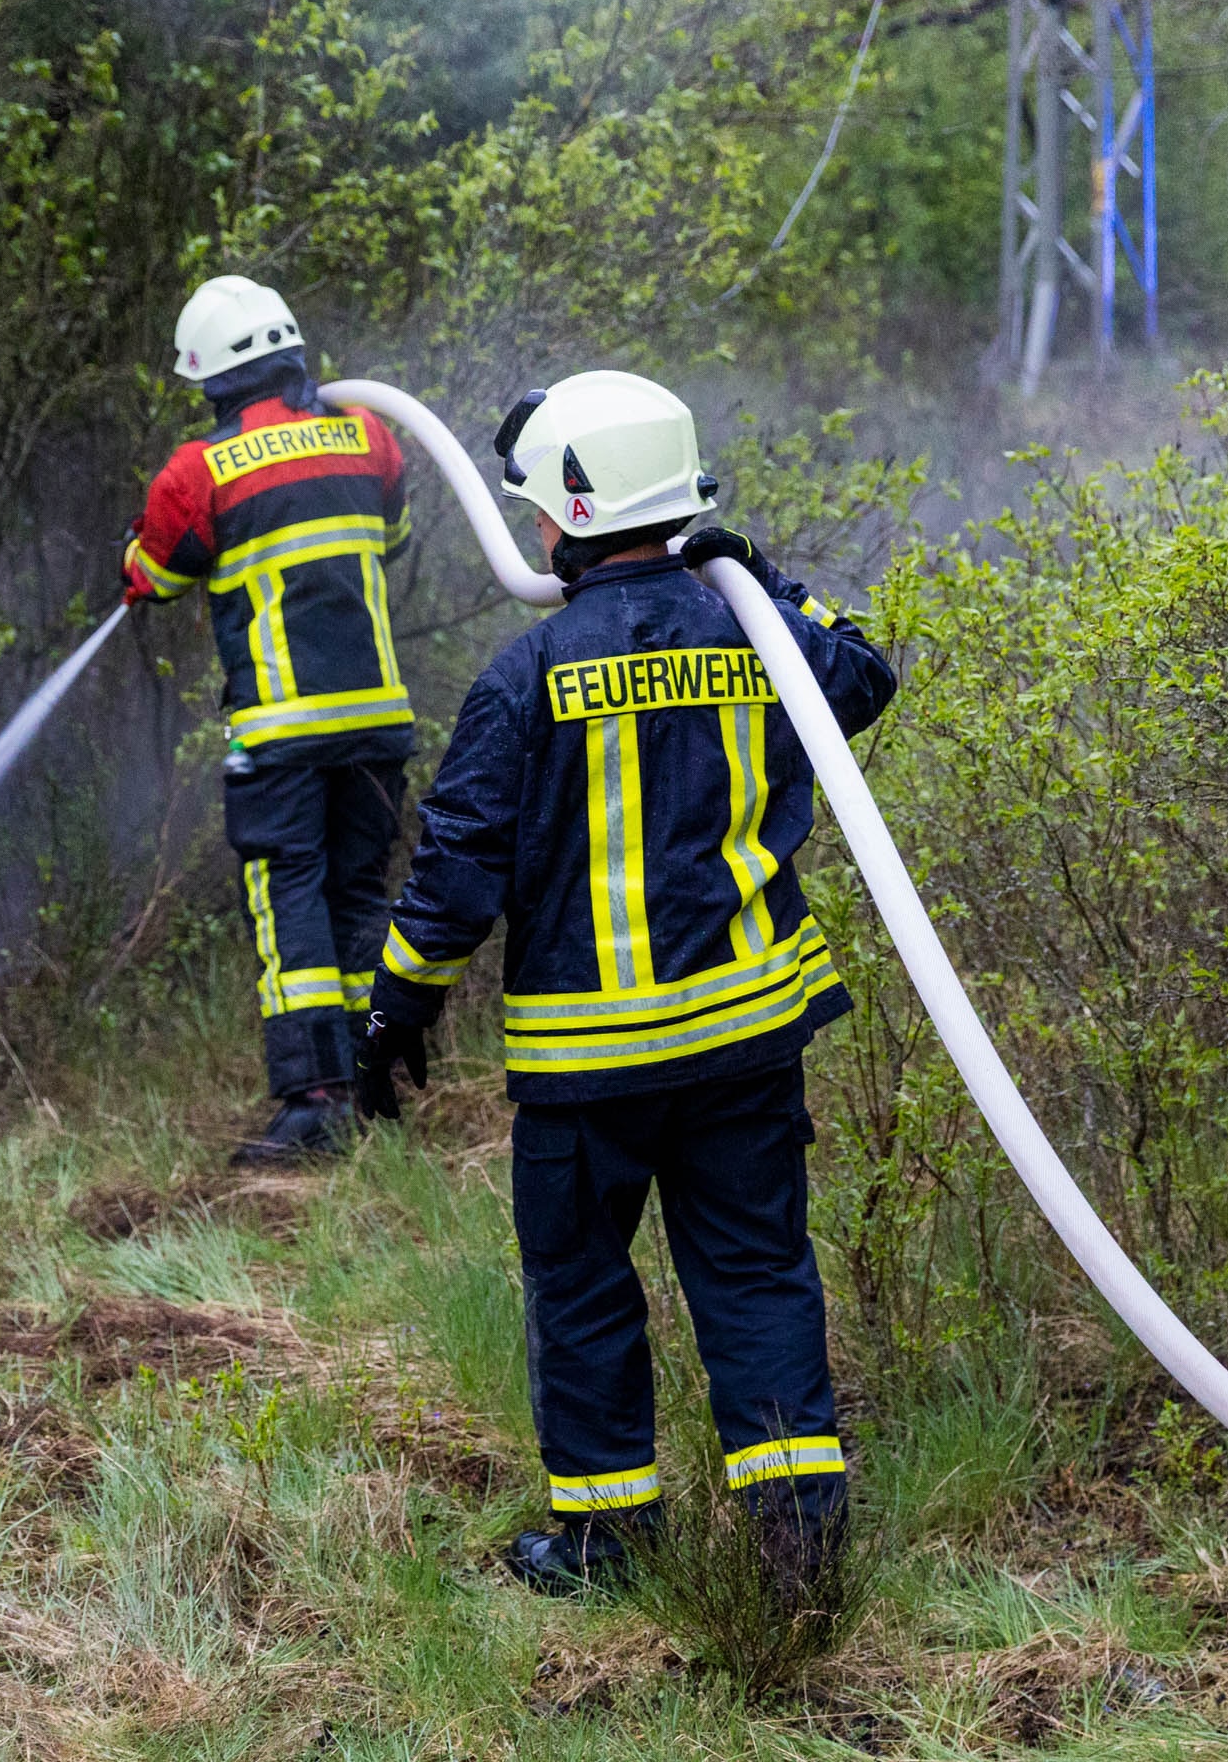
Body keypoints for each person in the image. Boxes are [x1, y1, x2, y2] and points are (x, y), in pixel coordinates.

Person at [351, 369, 898, 1594]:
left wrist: (395, 1010)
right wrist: (767, 581)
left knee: (584, 1290)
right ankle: (796, 1549)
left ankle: (606, 1544)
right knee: (757, 1276)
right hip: (745, 1040)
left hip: (588, 1064)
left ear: (571, 513)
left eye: (544, 505)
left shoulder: (523, 675)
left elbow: (454, 877)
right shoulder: (758, 637)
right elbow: (864, 675)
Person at [124, 275, 415, 1166]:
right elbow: (394, 536)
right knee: (359, 894)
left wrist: (134, 550)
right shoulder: (369, 436)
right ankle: (374, 1084)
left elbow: (153, 577)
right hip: (378, 725)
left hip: (281, 734)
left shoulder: (199, 471)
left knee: (291, 899)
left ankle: (314, 1103)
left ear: (210, 377)